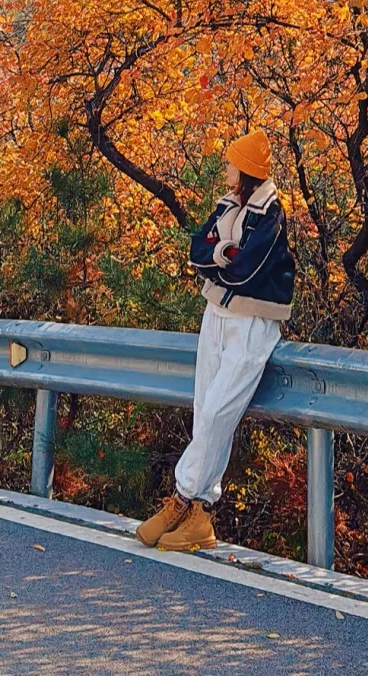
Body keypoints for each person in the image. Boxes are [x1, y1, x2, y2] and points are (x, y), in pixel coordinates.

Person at [136, 129, 296, 552]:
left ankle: (181, 498)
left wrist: (218, 259)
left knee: (218, 411)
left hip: (252, 323)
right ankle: (201, 514)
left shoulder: (271, 213)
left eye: (230, 163)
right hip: (216, 315)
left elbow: (247, 270)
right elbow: (196, 250)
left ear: (245, 170)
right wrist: (221, 253)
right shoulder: (229, 205)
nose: (224, 168)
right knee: (206, 408)